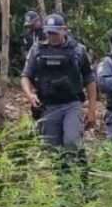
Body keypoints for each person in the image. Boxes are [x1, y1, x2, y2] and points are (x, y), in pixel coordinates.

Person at [21, 14, 98, 154]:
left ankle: (79, 169)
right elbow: (25, 76)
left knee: (71, 142)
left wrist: (92, 109)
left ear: (64, 30)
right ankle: (64, 174)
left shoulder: (78, 50)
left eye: (55, 32)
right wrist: (30, 95)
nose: (52, 36)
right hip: (48, 105)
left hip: (72, 104)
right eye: (49, 33)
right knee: (51, 149)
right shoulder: (37, 50)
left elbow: (89, 79)